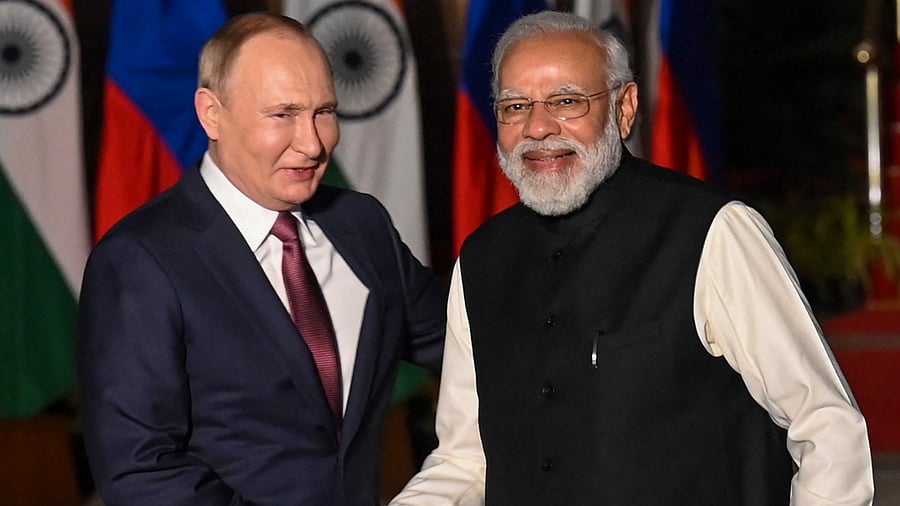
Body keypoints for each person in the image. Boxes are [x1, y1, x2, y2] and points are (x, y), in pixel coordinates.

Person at [391, 10, 873, 506]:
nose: (537, 127)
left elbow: (827, 426)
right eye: (514, 106)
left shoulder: (712, 231)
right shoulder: (481, 260)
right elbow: (466, 460)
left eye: (566, 101)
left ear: (624, 109)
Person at [78, 13, 445, 506]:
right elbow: (141, 469)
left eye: (324, 112)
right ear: (211, 114)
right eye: (283, 115)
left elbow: (465, 338)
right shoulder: (139, 260)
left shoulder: (362, 226)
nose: (313, 144)